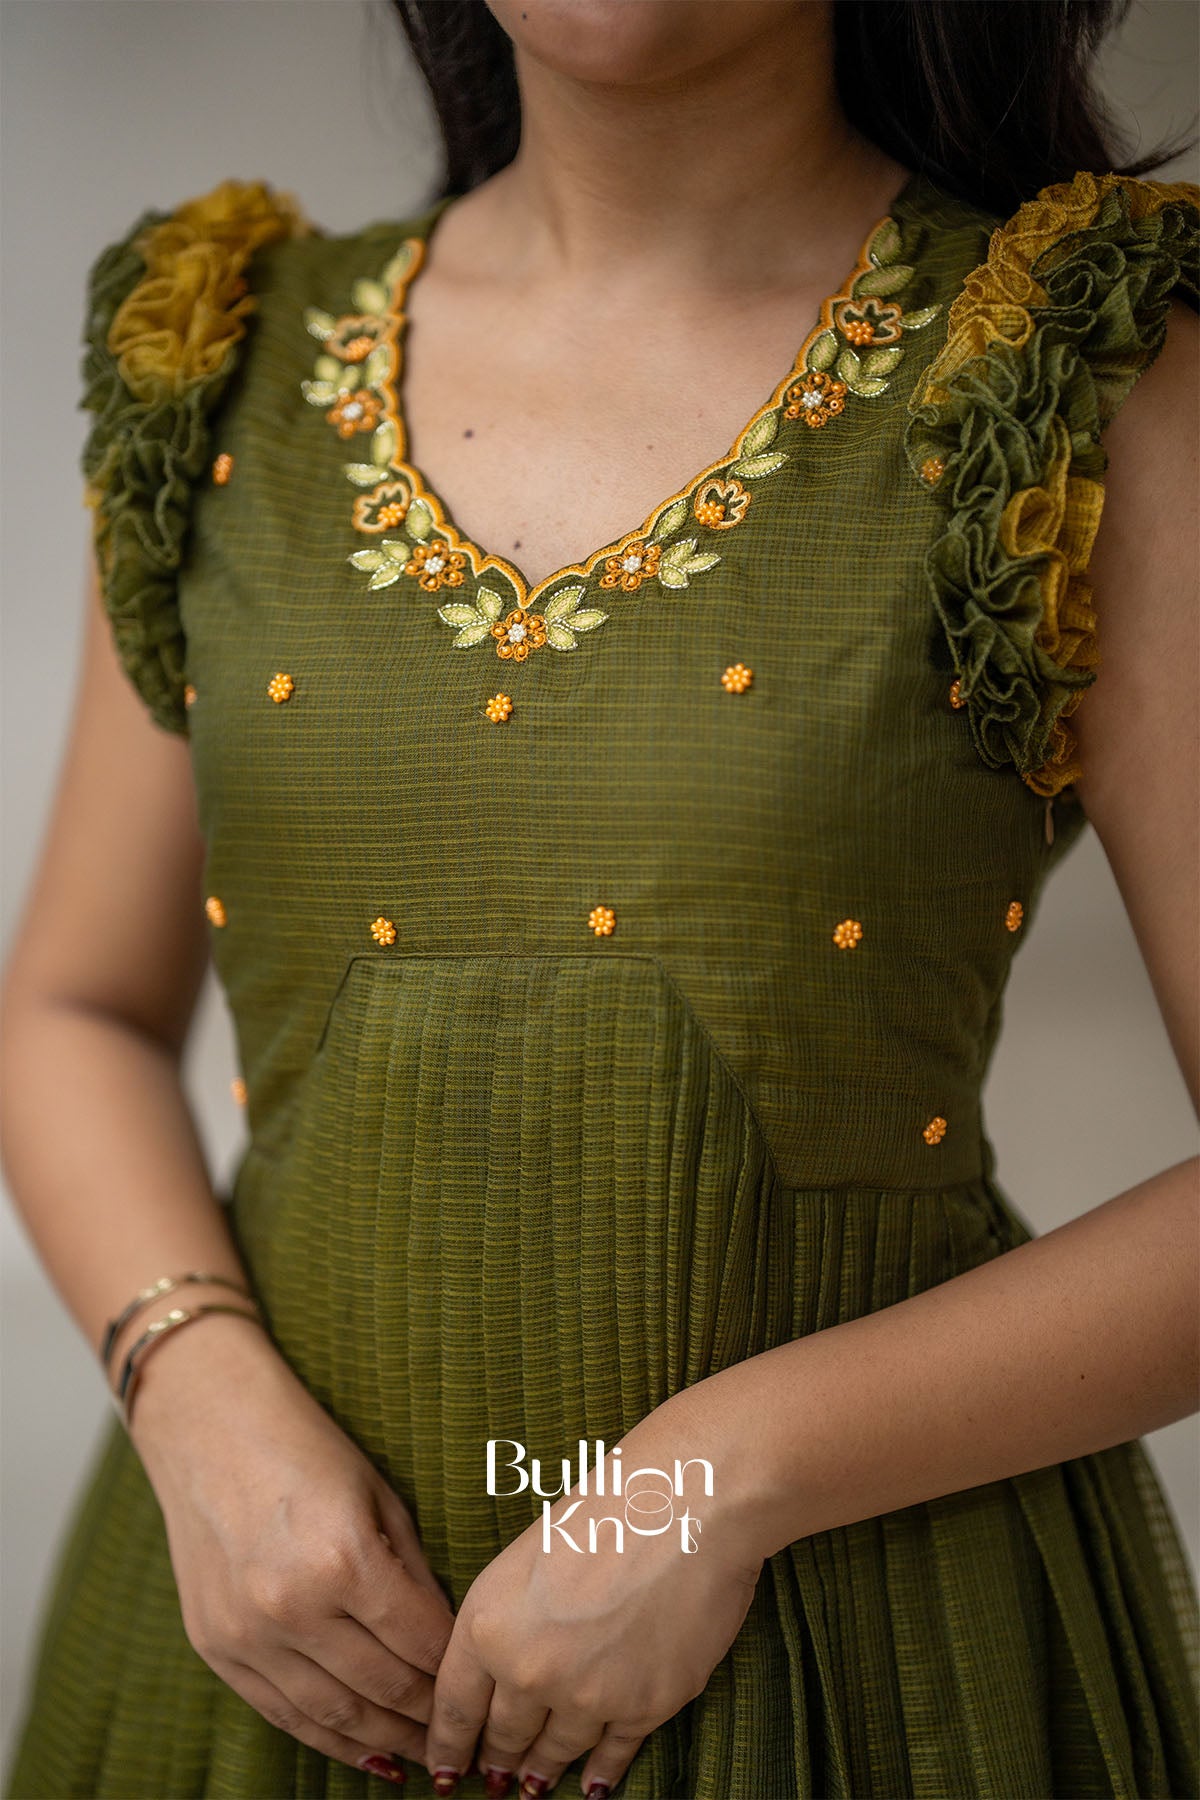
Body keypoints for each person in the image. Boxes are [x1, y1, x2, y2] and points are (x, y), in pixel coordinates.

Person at [2, 1, 1199, 1796]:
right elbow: (69, 1007)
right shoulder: (226, 355)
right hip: (274, 1658)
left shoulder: (1068, 369)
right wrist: (195, 1394)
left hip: (868, 1679)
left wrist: (714, 1484)